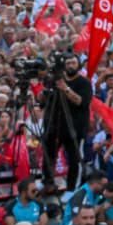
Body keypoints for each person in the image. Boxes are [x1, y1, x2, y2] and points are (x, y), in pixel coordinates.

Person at [40, 53, 93, 191]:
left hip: (74, 128)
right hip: (54, 125)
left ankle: (71, 188)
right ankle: (48, 183)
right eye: (68, 63)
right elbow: (43, 100)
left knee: (74, 160)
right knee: (49, 155)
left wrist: (66, 89)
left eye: (73, 63)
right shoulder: (55, 80)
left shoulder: (84, 83)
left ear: (78, 65)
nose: (70, 66)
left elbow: (82, 101)